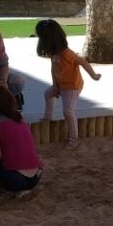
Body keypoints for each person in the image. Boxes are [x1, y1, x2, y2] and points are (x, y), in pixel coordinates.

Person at [35, 19, 102, 150]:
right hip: (61, 85)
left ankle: (74, 138)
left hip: (72, 87)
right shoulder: (53, 53)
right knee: (48, 94)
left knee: (68, 110)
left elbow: (83, 62)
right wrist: (55, 85)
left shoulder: (67, 53)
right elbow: (53, 68)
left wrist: (94, 76)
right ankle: (48, 117)